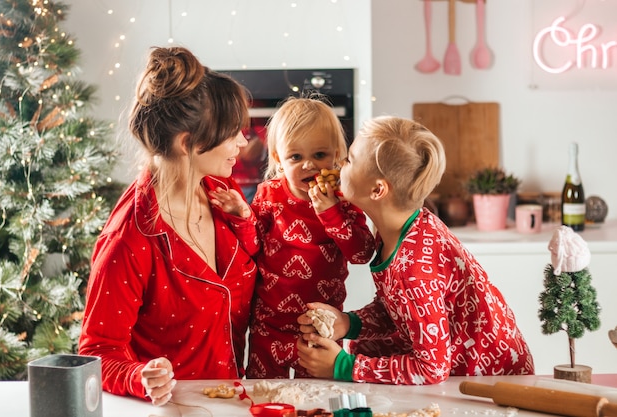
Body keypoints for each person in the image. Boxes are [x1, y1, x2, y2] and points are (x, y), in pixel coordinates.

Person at [78, 46, 259, 406]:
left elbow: (253, 258)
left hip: (232, 403)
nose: (243, 141)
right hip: (176, 411)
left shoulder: (223, 192)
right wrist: (139, 377)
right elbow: (96, 353)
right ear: (187, 143)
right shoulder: (129, 240)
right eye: (232, 132)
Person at [296, 116, 535, 384]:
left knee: (357, 357)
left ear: (377, 189)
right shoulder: (402, 227)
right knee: (362, 345)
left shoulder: (412, 269)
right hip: (458, 359)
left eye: (350, 160)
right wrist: (348, 323)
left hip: (487, 381)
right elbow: (399, 308)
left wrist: (343, 367)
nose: (340, 165)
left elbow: (431, 369)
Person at [245, 96, 375, 379]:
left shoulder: (344, 199)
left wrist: (331, 213)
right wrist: (240, 217)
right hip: (269, 324)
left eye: (319, 155)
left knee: (318, 401)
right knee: (264, 396)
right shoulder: (270, 194)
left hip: (322, 326)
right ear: (279, 158)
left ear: (337, 155)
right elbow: (250, 246)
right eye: (296, 157)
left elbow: (362, 253)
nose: (308, 166)